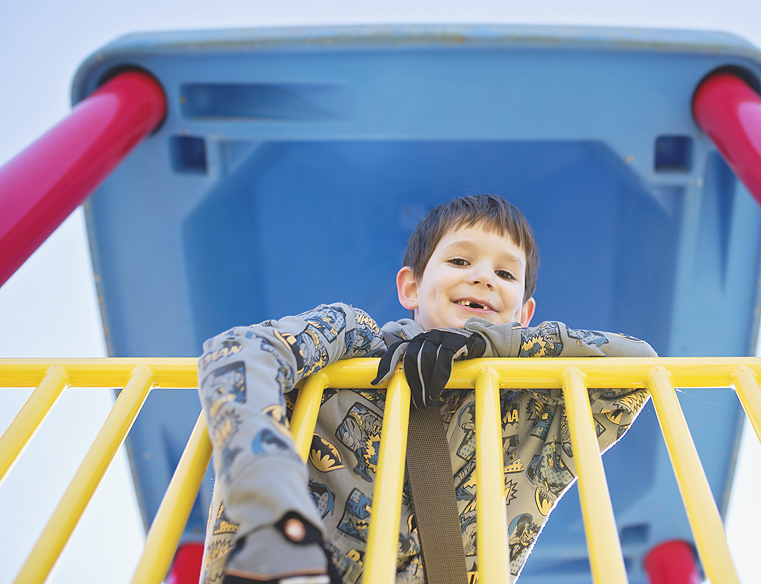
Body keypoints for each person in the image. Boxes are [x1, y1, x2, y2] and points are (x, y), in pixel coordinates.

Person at [197, 194, 657, 584]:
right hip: (293, 562)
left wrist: (491, 345)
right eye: (460, 260)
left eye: (506, 273)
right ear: (411, 287)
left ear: (524, 313)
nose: (483, 277)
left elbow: (638, 366)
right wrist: (273, 513)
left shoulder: (537, 409)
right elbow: (241, 352)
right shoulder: (352, 342)